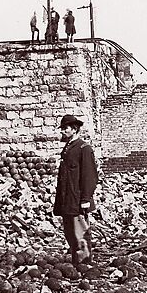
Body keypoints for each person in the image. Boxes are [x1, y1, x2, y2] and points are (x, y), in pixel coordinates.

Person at [53, 113, 98, 268]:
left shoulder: (83, 148)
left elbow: (90, 176)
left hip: (78, 199)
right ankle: (76, 261)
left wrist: (86, 198)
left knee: (81, 234)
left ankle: (84, 263)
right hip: (67, 199)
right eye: (63, 128)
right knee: (71, 233)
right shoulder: (68, 147)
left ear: (74, 129)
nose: (63, 131)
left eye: (66, 128)